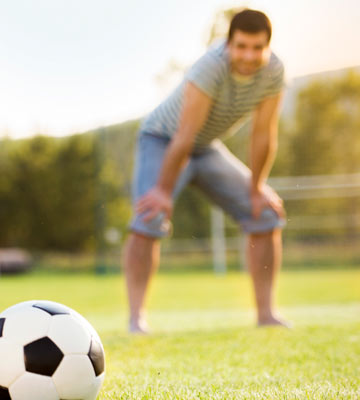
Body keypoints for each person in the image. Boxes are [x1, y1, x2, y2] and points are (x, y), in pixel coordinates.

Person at [123, 9, 289, 334]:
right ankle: (136, 319)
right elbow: (183, 135)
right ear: (229, 44)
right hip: (163, 139)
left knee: (267, 214)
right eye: (241, 46)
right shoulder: (210, 67)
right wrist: (161, 190)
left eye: (257, 48)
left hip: (206, 147)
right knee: (148, 217)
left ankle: (267, 314)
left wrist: (257, 188)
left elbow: (263, 134)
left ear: (268, 47)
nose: (249, 55)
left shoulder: (274, 72)